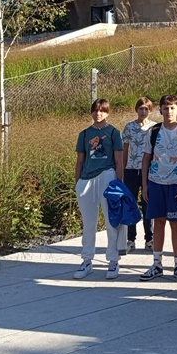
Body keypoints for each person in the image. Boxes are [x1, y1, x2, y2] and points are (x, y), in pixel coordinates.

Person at [73, 98, 125, 281]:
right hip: (87, 180)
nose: (98, 113)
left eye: (102, 110)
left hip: (107, 176)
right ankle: (86, 260)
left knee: (111, 222)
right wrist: (78, 183)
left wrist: (119, 184)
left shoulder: (114, 133)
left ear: (107, 112)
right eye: (95, 110)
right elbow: (80, 160)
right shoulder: (85, 134)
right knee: (89, 223)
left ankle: (113, 259)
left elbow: (119, 161)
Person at [140, 95, 177, 282]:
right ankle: (157, 264)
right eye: (165, 108)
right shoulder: (152, 132)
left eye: (172, 108)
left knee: (176, 224)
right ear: (160, 110)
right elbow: (145, 158)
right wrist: (145, 185)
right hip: (156, 183)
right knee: (158, 222)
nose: (168, 111)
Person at [121, 97, 155, 251]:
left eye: (146, 109)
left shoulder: (154, 128)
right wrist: (122, 169)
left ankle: (150, 238)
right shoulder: (129, 127)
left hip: (148, 170)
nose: (143, 111)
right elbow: (125, 149)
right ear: (136, 110)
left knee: (148, 204)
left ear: (150, 110)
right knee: (131, 203)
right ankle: (130, 239)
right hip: (131, 169)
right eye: (141, 108)